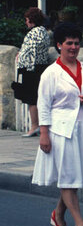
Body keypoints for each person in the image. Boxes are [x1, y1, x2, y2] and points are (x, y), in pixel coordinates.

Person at [32, 22, 83, 226]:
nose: (73, 47)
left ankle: (58, 215)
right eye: (69, 43)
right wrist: (43, 133)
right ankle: (79, 222)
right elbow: (43, 104)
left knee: (75, 176)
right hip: (60, 130)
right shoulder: (51, 73)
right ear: (59, 45)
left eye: (76, 43)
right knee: (68, 177)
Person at [14, 7, 51, 137]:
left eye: (27, 19)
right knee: (37, 98)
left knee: (32, 99)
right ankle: (38, 126)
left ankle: (35, 126)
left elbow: (32, 51)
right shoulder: (43, 32)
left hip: (32, 69)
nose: (26, 22)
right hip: (39, 67)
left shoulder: (34, 32)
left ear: (31, 20)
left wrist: (22, 58)